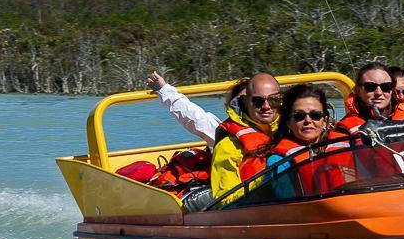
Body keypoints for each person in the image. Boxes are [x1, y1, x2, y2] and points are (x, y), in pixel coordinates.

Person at [262, 84, 353, 199]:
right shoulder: (277, 161)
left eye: (315, 115)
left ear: (324, 121)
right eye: (299, 116)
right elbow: (287, 205)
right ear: (289, 122)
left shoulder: (347, 146)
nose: (308, 120)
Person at [211, 71, 282, 199]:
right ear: (245, 102)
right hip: (260, 207)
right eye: (257, 101)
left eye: (273, 99)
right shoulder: (228, 144)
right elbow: (225, 198)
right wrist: (263, 185)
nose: (266, 106)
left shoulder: (296, 125)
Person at [146, 70, 220, 143]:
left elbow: (200, 122)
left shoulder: (224, 136)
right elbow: (200, 122)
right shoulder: (226, 135)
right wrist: (164, 90)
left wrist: (164, 90)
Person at [338, 61, 397, 131]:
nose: (378, 93)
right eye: (370, 87)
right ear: (358, 91)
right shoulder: (343, 128)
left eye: (386, 86)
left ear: (392, 90)